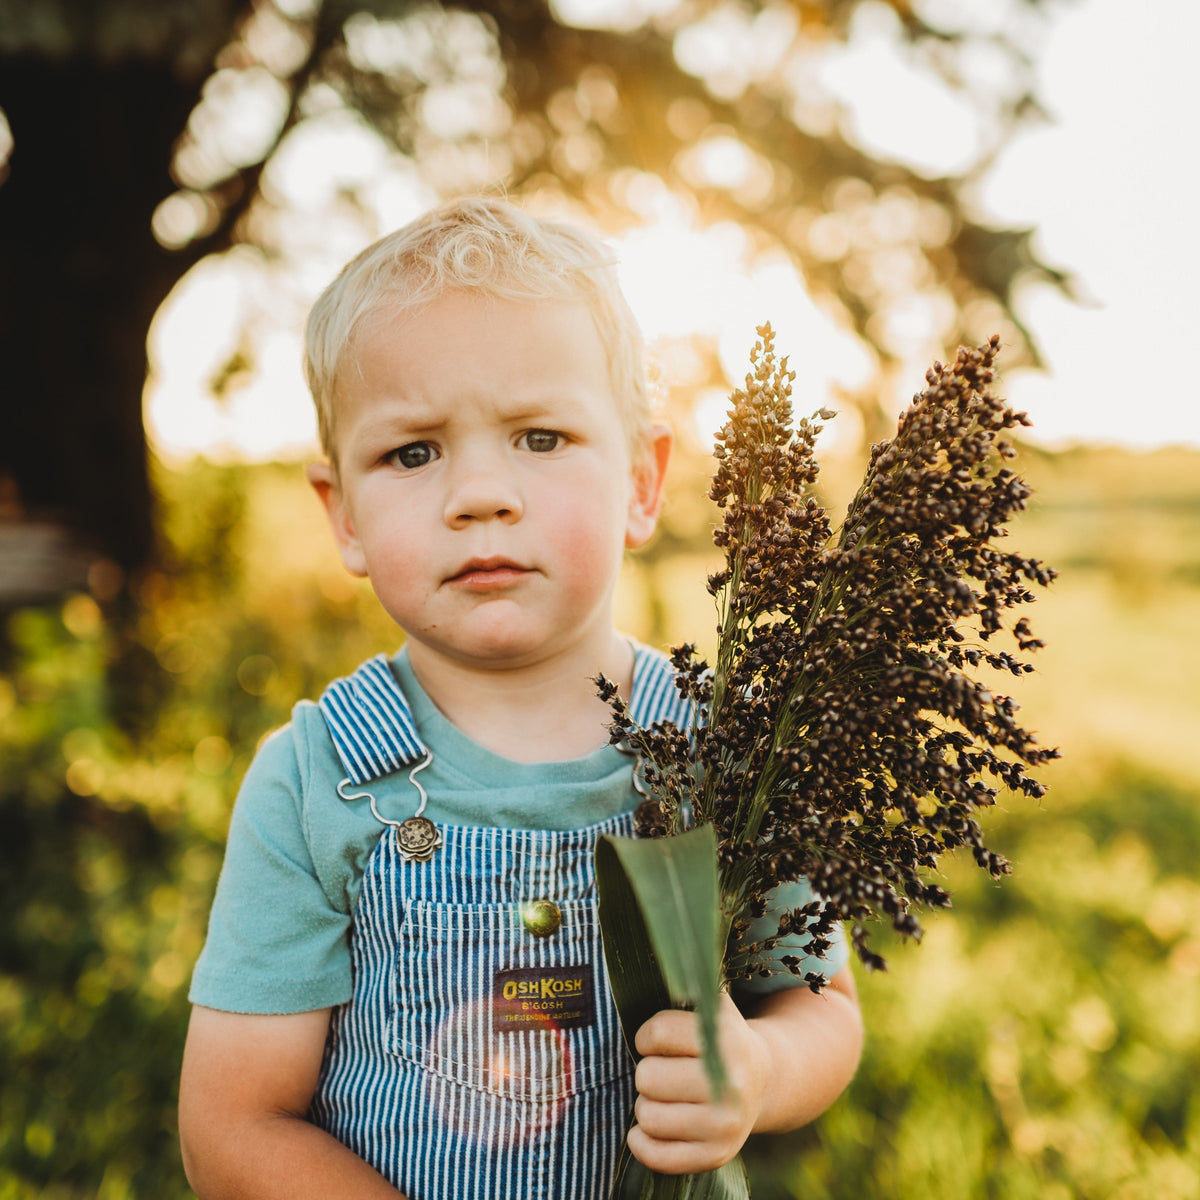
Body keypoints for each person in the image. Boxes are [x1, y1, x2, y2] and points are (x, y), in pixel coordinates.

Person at [178, 196, 863, 1200]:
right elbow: (232, 1127)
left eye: (540, 438)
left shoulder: (728, 751)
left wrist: (756, 1073)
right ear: (345, 515)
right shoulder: (317, 782)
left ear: (641, 479)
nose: (479, 493)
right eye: (412, 452)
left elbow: (822, 1010)